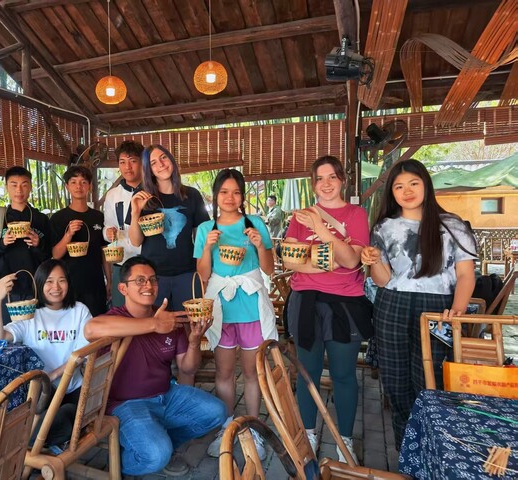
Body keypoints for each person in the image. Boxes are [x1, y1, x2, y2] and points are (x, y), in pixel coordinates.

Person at [361, 159, 476, 450]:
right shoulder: (384, 226)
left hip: (438, 309)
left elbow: (465, 274)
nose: (407, 191)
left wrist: (458, 311)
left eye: (413, 183)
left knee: (432, 382)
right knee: (395, 384)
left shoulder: (452, 225)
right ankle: (407, 453)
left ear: (426, 185)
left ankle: (434, 450)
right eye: (399, 187)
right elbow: (383, 280)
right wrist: (373, 261)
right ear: (392, 193)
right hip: (392, 305)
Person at [84, 256, 227, 477]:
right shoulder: (117, 318)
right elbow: (90, 329)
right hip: (125, 405)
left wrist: (194, 342)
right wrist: (153, 324)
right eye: (139, 280)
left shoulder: (168, 320)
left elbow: (188, 368)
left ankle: (162, 444)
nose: (148, 285)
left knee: (217, 412)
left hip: (166, 396)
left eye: (152, 280)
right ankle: (124, 460)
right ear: (123, 288)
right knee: (155, 455)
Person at [283, 155, 373, 463]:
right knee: (306, 373)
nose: (326, 184)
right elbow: (290, 260)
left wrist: (319, 228)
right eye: (319, 178)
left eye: (332, 177)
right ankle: (308, 433)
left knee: (343, 374)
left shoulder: (356, 214)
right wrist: (330, 262)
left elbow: (352, 260)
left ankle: (344, 439)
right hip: (305, 301)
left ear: (342, 180)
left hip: (345, 303)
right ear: (313, 184)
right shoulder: (300, 216)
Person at [194, 169, 278, 460]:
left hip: (251, 309)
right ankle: (227, 428)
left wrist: (259, 245)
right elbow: (203, 273)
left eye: (236, 192)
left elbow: (269, 268)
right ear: (215, 195)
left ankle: (254, 429)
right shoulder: (206, 229)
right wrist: (208, 247)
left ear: (242, 196)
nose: (230, 198)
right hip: (221, 311)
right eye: (224, 192)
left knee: (253, 374)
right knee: (224, 373)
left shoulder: (255, 224)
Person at [0, 259, 91, 447]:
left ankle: (34, 442)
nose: (56, 287)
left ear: (69, 283)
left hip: (74, 388)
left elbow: (81, 354)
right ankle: (41, 440)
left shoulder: (79, 311)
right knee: (48, 421)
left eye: (61, 280)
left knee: (65, 417)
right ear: (39, 284)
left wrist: (52, 375)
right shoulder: (29, 313)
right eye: (49, 281)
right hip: (43, 393)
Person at [128, 145, 210, 312]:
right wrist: (135, 212)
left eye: (163, 157)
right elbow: (136, 242)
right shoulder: (142, 196)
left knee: (188, 323)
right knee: (156, 323)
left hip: (187, 273)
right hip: (153, 276)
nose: (161, 164)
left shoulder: (192, 195)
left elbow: (201, 238)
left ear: (171, 160)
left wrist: (204, 275)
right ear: (149, 170)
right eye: (153, 163)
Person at [0, 166, 51, 324]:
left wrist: (38, 244)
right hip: (5, 288)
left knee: (36, 332)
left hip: (35, 286)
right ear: (6, 187)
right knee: (7, 332)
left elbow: (50, 255)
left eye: (24, 185)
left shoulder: (40, 219)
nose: (19, 190)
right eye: (14, 185)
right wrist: (2, 243)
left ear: (30, 187)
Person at [51, 165, 110, 316]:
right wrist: (68, 235)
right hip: (69, 284)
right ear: (67, 186)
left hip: (95, 282)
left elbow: (104, 252)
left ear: (90, 187)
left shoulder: (98, 217)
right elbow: (56, 254)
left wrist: (109, 281)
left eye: (83, 182)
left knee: (96, 323)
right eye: (73, 182)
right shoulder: (58, 218)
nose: (79, 186)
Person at [103, 140, 144, 307]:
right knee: (122, 311)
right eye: (122, 162)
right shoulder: (112, 195)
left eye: (133, 161)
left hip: (149, 261)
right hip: (122, 262)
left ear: (143, 163)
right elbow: (107, 226)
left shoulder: (152, 191)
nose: (128, 167)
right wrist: (108, 233)